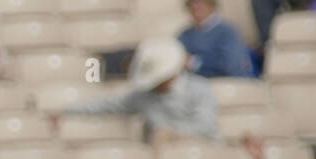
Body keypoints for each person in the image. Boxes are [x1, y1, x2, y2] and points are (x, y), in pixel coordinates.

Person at [56, 37, 220, 141]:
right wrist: (67, 111)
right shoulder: (143, 97)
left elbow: (205, 126)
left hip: (201, 153)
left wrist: (174, 134)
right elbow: (108, 104)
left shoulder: (200, 90)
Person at [177, 0, 253, 78]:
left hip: (226, 83)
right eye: (192, 4)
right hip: (195, 84)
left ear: (211, 6)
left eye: (200, 3)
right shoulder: (185, 34)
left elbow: (230, 65)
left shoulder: (228, 31)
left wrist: (194, 62)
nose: (195, 7)